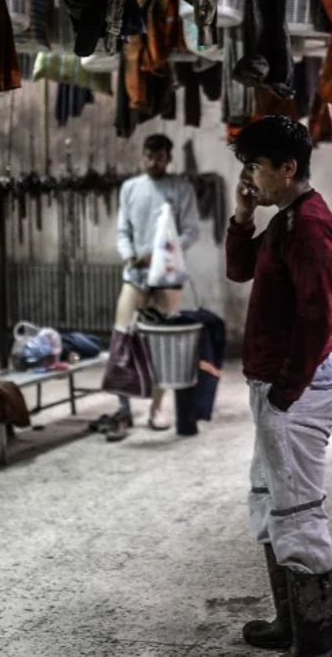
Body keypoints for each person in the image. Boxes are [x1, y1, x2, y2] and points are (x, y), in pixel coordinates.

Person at [225, 116, 332, 657]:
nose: (251, 177)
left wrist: (284, 396)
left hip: (295, 390)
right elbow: (240, 269)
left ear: (287, 168)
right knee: (270, 502)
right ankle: (290, 623)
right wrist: (243, 216)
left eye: (256, 167)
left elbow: (319, 319)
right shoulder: (285, 220)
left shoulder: (310, 227)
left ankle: (316, 646)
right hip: (277, 386)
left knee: (298, 514)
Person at [109, 133, 200, 441]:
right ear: (143, 156)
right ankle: (123, 408)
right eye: (149, 156)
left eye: (160, 158)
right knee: (122, 337)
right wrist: (130, 256)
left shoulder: (181, 188)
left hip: (168, 275)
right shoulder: (131, 188)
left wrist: (161, 253)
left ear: (168, 158)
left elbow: (190, 231)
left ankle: (157, 408)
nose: (153, 162)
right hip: (135, 274)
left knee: (162, 344)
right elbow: (122, 230)